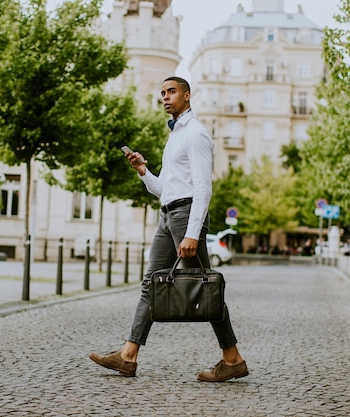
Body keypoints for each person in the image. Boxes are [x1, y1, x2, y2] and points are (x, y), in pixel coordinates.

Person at [89, 76, 248, 382]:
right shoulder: (175, 136)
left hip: (186, 216)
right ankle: (128, 356)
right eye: (162, 93)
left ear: (187, 96)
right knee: (151, 283)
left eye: (171, 92)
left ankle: (233, 358)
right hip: (168, 215)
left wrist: (192, 232)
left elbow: (203, 189)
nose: (165, 97)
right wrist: (143, 171)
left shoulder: (196, 134)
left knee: (206, 287)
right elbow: (166, 189)